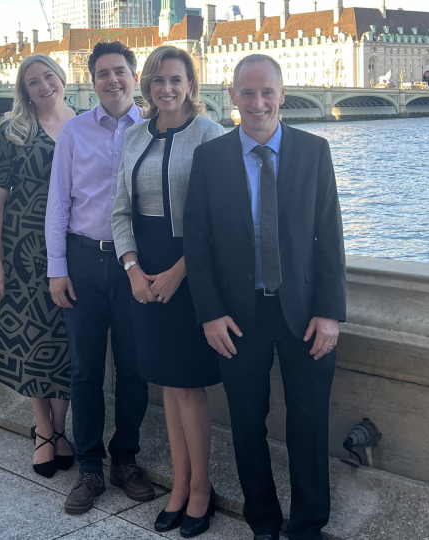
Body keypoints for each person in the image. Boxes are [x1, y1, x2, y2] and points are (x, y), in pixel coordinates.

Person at [183, 54, 346, 540]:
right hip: (238, 316)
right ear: (231, 96)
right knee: (247, 424)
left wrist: (329, 313)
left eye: (267, 92)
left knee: (310, 423)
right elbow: (198, 242)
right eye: (247, 93)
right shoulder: (210, 159)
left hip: (303, 315)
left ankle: (308, 526)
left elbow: (329, 239)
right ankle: (263, 522)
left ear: (282, 93)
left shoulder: (314, 151)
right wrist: (210, 314)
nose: (258, 103)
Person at [111, 45, 224, 538]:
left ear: (190, 84)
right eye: (157, 80)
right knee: (165, 383)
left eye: (175, 80)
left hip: (191, 270)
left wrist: (180, 272)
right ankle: (180, 484)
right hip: (144, 272)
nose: (166, 88)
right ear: (147, 86)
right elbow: (120, 213)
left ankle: (201, 489)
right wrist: (133, 269)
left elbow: (221, 220)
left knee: (187, 383)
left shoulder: (210, 135)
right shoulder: (135, 135)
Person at [46, 41, 155, 515]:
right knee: (86, 370)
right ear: (91, 82)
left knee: (134, 368)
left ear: (135, 77)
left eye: (121, 72)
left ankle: (125, 459)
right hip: (85, 260)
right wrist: (57, 270)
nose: (113, 80)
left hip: (135, 264)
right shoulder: (73, 132)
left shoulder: (153, 130)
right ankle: (89, 467)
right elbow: (58, 205)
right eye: (103, 73)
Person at [0, 54, 76, 480]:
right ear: (25, 91)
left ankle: (60, 428)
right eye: (33, 82)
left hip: (72, 248)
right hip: (23, 251)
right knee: (31, 340)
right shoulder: (13, 132)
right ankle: (44, 429)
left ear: (61, 78)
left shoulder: (83, 123)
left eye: (48, 77)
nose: (43, 86)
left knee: (66, 339)